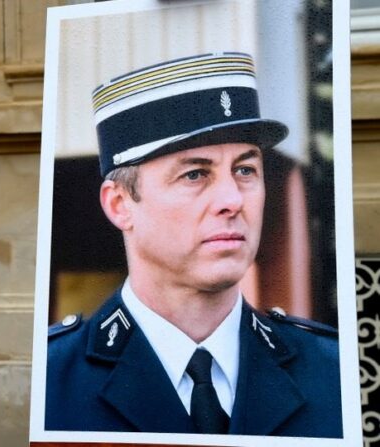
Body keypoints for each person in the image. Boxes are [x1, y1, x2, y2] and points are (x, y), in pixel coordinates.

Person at [45, 52, 342, 437]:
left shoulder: (332, 371)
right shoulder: (51, 380)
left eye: (245, 169)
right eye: (195, 174)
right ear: (120, 205)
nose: (232, 200)